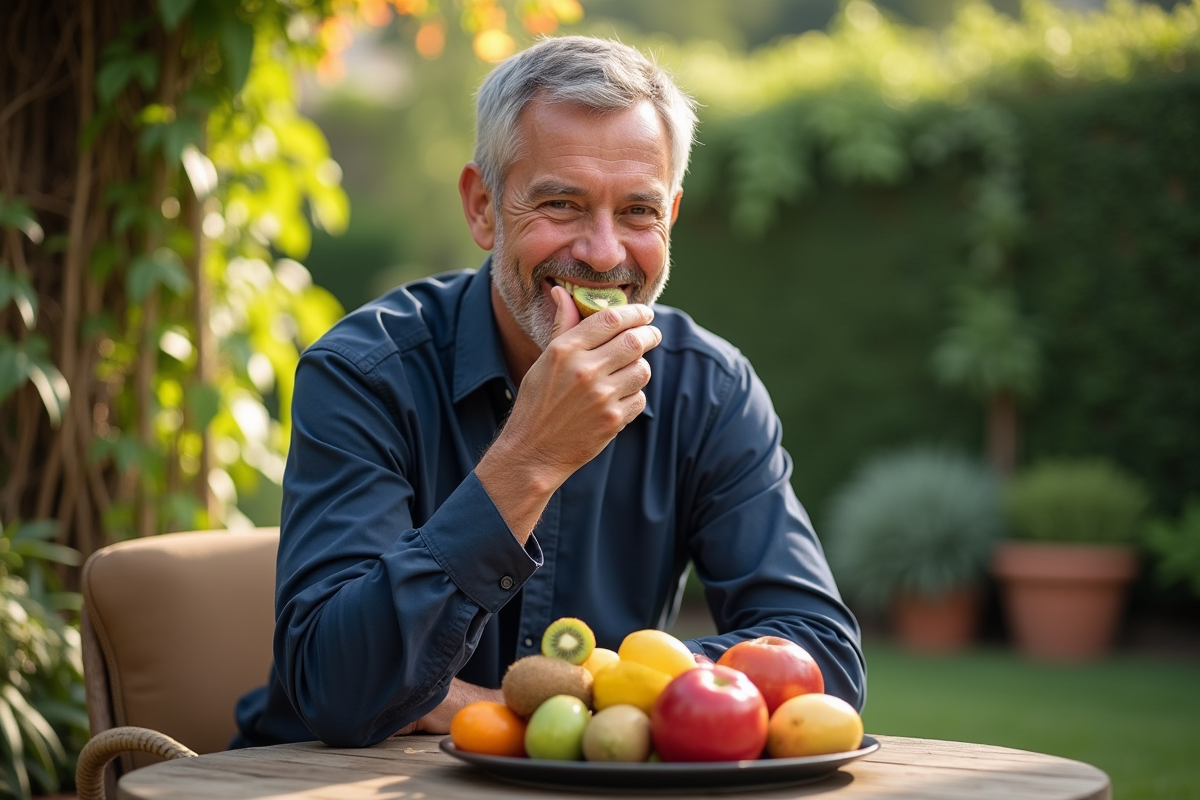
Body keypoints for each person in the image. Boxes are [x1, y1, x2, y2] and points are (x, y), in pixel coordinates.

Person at [232, 35, 865, 749]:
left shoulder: (708, 389)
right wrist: (529, 457)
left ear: (672, 217)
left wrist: (552, 700)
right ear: (482, 207)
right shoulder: (364, 374)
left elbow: (820, 657)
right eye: (561, 204)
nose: (603, 253)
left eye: (637, 212)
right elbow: (337, 688)